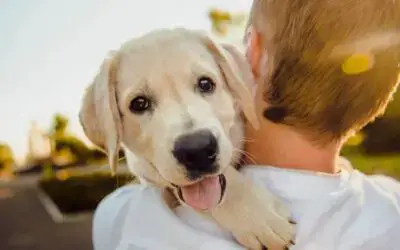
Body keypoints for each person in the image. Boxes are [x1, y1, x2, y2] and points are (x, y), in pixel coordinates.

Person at [92, 0, 400, 249]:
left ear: (248, 56)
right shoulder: (390, 208)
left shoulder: (123, 219)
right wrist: (231, 196)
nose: (190, 130)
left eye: (204, 84)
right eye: (141, 104)